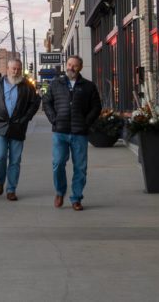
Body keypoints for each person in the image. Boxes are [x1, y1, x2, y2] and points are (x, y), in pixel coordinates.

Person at [42, 55, 101, 211]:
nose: (71, 68)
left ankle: (76, 198)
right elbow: (46, 101)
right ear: (65, 65)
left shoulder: (88, 86)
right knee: (58, 163)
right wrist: (53, 119)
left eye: (75, 66)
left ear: (80, 67)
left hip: (79, 133)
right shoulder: (56, 84)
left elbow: (96, 107)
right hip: (60, 131)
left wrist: (86, 122)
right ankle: (60, 192)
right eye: (69, 64)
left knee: (80, 167)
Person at [0, 58, 40, 201]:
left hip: (18, 127)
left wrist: (26, 118)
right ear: (7, 69)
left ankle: (11, 189)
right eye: (13, 68)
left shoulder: (26, 86)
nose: (16, 71)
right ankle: (0, 180)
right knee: (0, 157)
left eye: (19, 69)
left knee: (15, 160)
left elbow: (35, 103)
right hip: (1, 125)